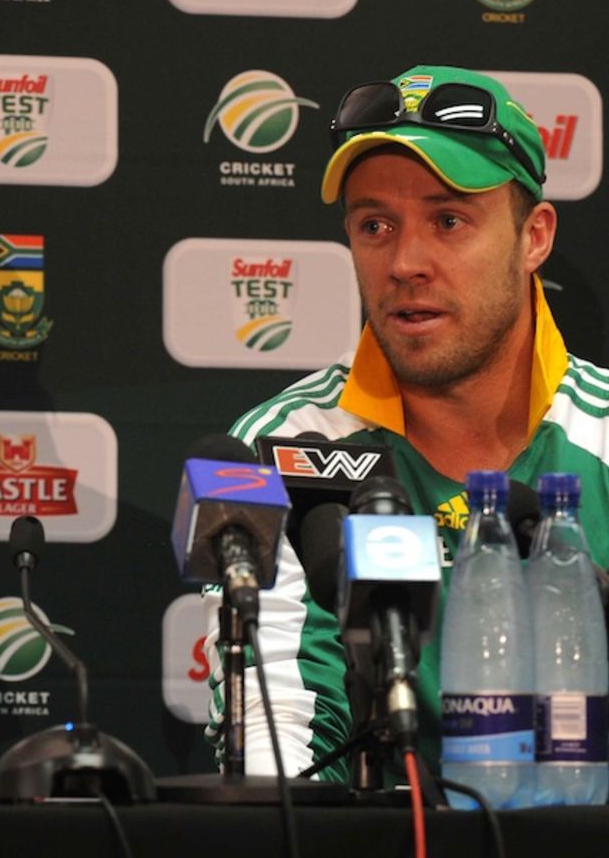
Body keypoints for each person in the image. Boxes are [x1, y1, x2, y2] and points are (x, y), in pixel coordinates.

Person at [206, 65, 609, 782]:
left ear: (534, 237)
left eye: (448, 220)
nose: (405, 262)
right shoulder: (272, 448)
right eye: (375, 225)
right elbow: (277, 736)